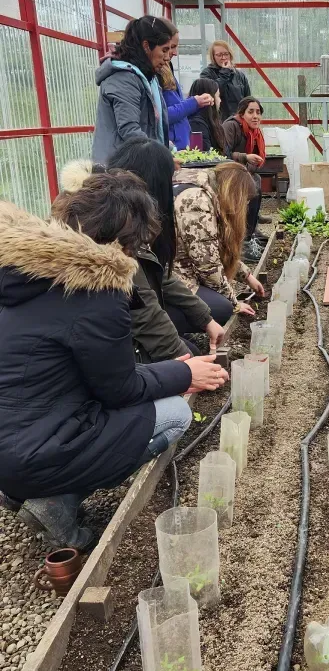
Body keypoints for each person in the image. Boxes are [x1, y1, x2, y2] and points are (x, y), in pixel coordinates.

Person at [0, 174, 226, 549]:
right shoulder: (97, 292)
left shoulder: (29, 271)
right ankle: (56, 500)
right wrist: (186, 372)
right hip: (34, 454)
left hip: (14, 443)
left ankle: (31, 492)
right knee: (175, 414)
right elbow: (120, 390)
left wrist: (177, 370)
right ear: (123, 243)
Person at [105, 141, 228, 360]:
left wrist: (205, 319)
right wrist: (183, 364)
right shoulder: (115, 230)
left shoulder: (124, 213)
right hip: (109, 334)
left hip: (123, 318)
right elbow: (141, 306)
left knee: (201, 336)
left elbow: (161, 275)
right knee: (190, 356)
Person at [173, 161, 265, 329]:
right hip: (171, 279)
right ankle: (174, 327)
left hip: (179, 270)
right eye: (244, 200)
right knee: (223, 309)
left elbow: (212, 248)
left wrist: (247, 275)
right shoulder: (196, 202)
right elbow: (207, 266)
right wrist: (235, 303)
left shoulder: (207, 192)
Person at [93, 15, 177, 164]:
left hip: (137, 167)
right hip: (121, 173)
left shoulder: (147, 78)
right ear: (146, 46)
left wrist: (167, 148)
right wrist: (162, 158)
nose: (167, 58)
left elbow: (151, 127)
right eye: (164, 50)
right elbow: (130, 130)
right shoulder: (123, 78)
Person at [222, 96, 267, 263]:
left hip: (243, 171)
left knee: (256, 181)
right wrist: (245, 157)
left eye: (258, 112)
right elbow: (223, 155)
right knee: (252, 185)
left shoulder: (255, 133)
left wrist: (249, 165)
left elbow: (257, 162)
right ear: (242, 113)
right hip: (228, 173)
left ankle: (249, 235)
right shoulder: (231, 126)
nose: (256, 116)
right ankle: (244, 242)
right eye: (251, 112)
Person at [160, 63, 214, 151]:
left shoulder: (169, 71)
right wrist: (194, 103)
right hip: (171, 148)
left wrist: (199, 105)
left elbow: (181, 112)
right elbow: (163, 115)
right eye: (169, 49)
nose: (174, 53)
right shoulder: (157, 76)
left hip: (181, 147)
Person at [201, 40, 251, 121]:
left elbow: (248, 99)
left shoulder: (239, 75)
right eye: (219, 55)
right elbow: (213, 92)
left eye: (226, 54)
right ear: (213, 57)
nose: (223, 58)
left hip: (238, 121)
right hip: (218, 123)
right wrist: (225, 72)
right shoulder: (207, 74)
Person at [187, 78, 227, 154]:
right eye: (218, 96)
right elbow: (201, 157)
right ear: (210, 98)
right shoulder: (196, 124)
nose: (220, 100)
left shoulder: (211, 121)